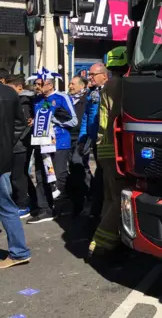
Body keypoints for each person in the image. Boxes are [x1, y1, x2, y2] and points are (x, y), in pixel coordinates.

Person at [88, 47, 129, 260]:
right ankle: (102, 243)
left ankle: (111, 238)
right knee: (120, 199)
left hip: (105, 150)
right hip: (116, 150)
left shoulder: (108, 86)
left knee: (109, 197)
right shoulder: (123, 84)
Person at [27, 68, 78, 224]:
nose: (37, 87)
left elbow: (74, 121)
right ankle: (44, 209)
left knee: (59, 175)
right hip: (42, 143)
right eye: (35, 84)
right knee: (41, 175)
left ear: (49, 84)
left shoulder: (62, 98)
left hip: (60, 142)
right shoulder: (36, 100)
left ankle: (61, 206)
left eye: (39, 84)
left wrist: (52, 119)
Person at [0, 78, 30, 269]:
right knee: (6, 204)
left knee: (6, 205)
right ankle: (19, 251)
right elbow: (21, 123)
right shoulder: (9, 93)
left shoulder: (8, 93)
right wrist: (8, 143)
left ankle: (19, 251)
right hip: (4, 157)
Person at [79, 62, 109, 221]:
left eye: (92, 75)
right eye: (89, 75)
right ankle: (97, 208)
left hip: (107, 141)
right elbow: (86, 117)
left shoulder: (112, 91)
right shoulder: (92, 94)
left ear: (104, 76)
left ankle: (101, 208)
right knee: (99, 173)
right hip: (94, 141)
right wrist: (83, 139)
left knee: (104, 175)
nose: (89, 77)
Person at [4, 74, 35, 218]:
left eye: (10, 88)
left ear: (19, 87)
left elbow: (23, 124)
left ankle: (23, 204)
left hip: (20, 145)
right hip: (14, 144)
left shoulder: (24, 101)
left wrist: (12, 140)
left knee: (19, 176)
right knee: (19, 175)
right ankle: (32, 200)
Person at [68, 75, 89, 216]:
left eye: (73, 84)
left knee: (78, 164)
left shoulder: (87, 99)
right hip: (68, 138)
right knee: (73, 167)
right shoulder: (67, 99)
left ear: (82, 86)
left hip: (82, 137)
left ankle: (83, 198)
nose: (70, 86)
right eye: (70, 83)